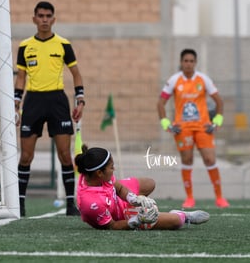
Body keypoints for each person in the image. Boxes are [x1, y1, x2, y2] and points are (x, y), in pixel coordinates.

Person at [14, 1, 84, 216]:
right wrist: (16, 102)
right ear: (34, 19)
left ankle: (71, 204)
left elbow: (76, 74)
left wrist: (80, 99)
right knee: (26, 156)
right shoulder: (25, 46)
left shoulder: (63, 44)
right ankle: (20, 204)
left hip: (57, 101)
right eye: (40, 16)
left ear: (53, 19)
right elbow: (21, 77)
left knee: (65, 154)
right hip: (33, 101)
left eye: (48, 16)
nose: (44, 19)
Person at [157, 48, 230, 209]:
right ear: (181, 62)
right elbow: (160, 103)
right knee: (187, 160)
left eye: (191, 61)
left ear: (195, 63)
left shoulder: (203, 79)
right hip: (183, 129)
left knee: (210, 159)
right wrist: (166, 124)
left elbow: (219, 101)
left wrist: (217, 121)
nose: (188, 64)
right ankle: (189, 198)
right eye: (186, 61)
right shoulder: (174, 80)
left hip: (203, 127)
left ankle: (219, 197)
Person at [75, 145, 210, 230]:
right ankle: (184, 216)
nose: (114, 169)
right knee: (175, 221)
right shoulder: (92, 203)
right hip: (119, 217)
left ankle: (141, 208)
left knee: (149, 183)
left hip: (115, 199)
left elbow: (119, 188)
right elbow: (112, 226)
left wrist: (133, 199)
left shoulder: (95, 175)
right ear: (99, 173)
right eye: (111, 167)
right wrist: (137, 220)